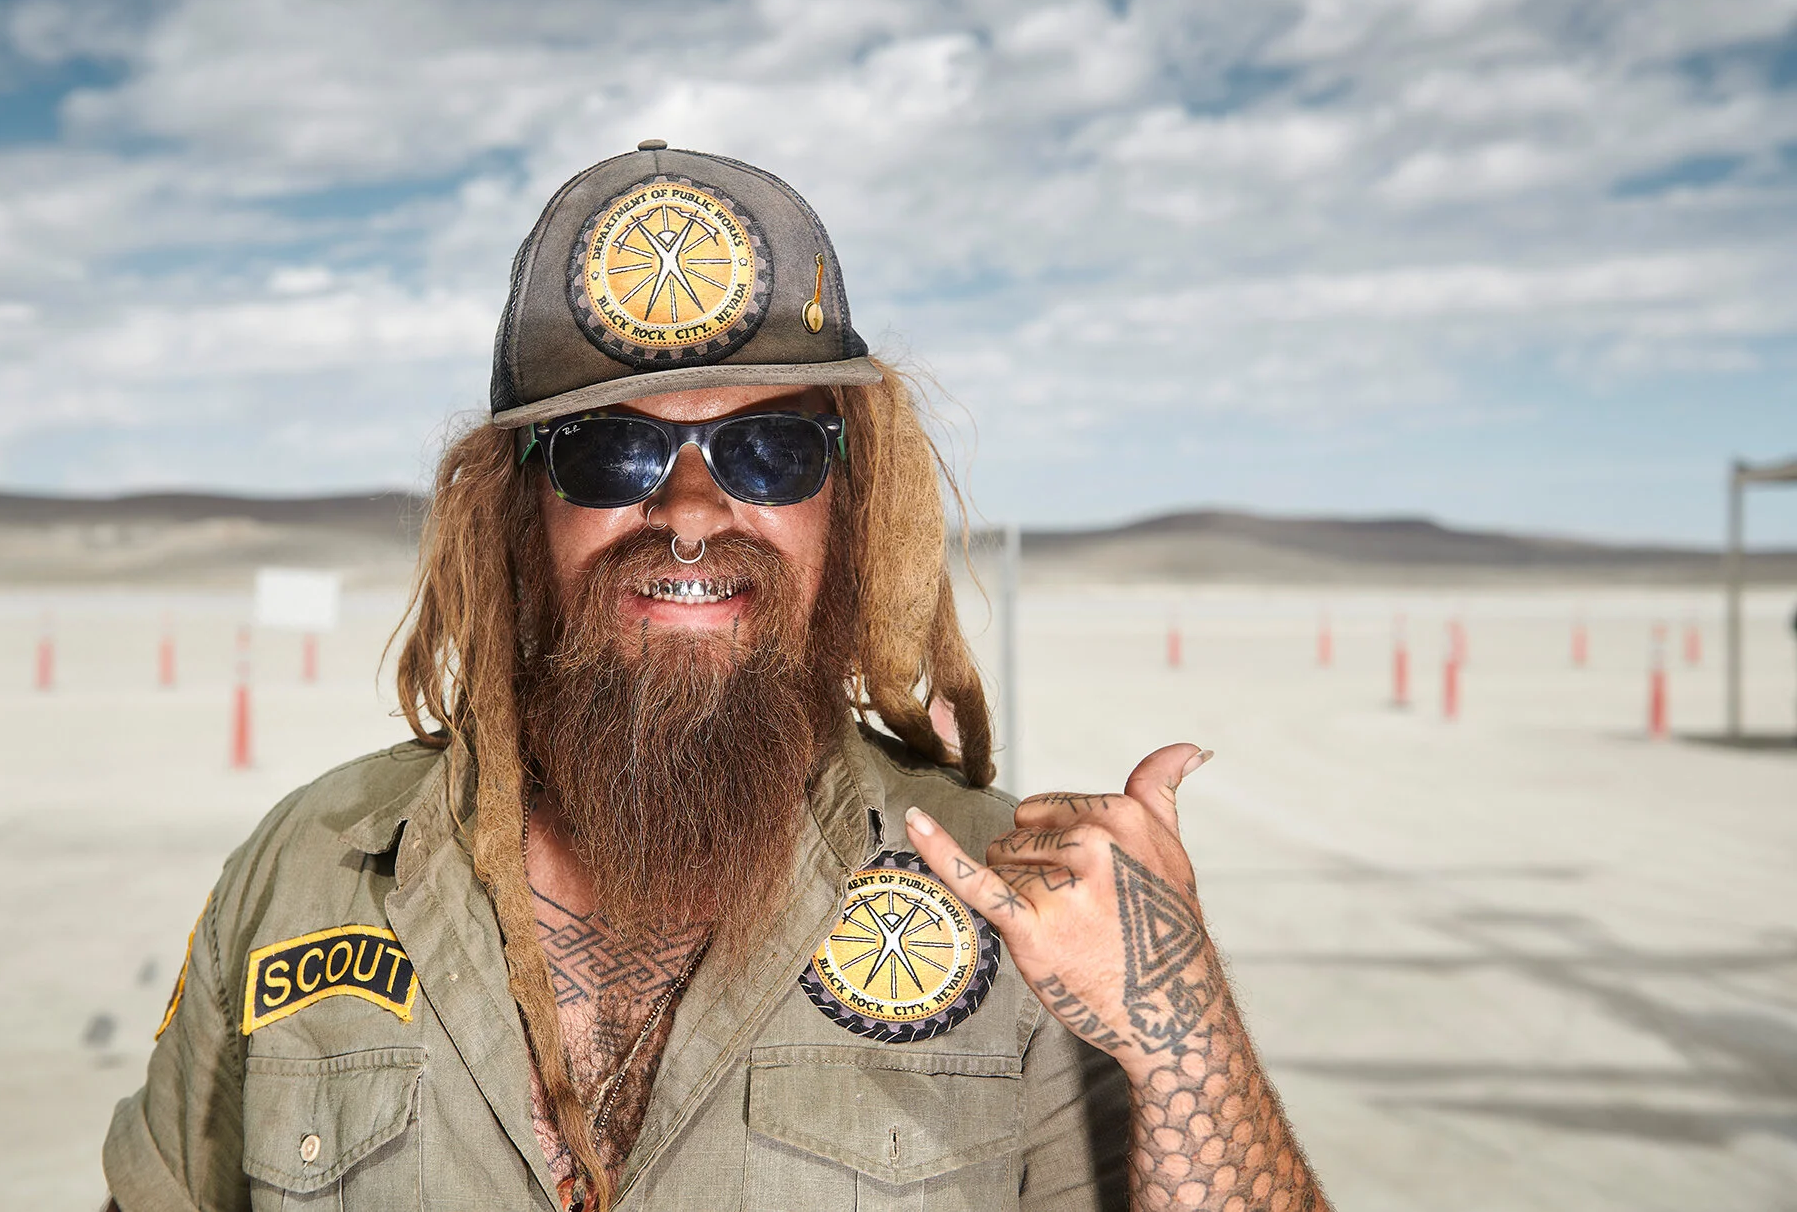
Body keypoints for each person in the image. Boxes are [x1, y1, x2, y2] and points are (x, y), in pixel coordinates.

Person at [102, 142, 1328, 1211]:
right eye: (610, 448)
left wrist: (1186, 1040)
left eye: (769, 447)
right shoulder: (305, 872)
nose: (690, 510)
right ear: (516, 512)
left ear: (846, 502)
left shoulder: (1013, 908)